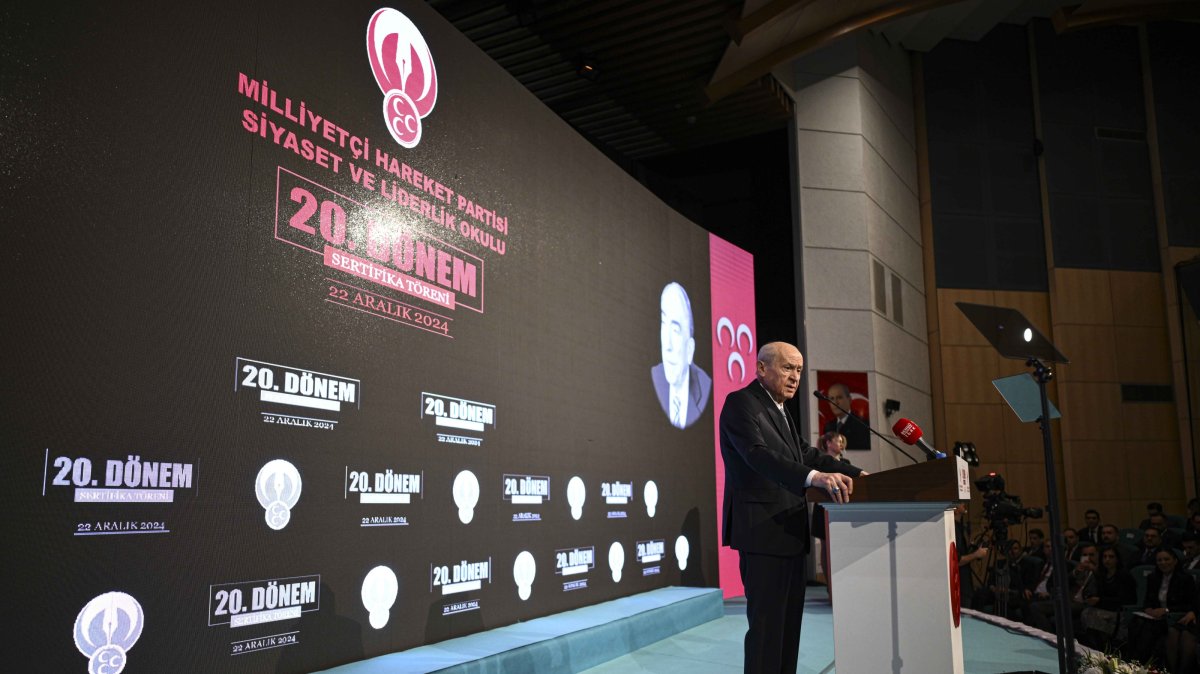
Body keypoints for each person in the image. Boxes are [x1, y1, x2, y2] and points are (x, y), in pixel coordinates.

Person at [720, 341, 861, 674]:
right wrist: (815, 478)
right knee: (768, 633)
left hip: (789, 532)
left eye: (798, 369)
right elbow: (757, 455)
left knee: (788, 633)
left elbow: (805, 454)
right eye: (787, 368)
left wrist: (857, 473)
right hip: (763, 532)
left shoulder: (781, 411)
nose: (795, 376)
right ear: (761, 368)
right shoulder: (741, 403)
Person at [650, 282, 711, 429]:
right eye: (664, 324)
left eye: (676, 331)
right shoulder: (654, 376)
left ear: (690, 350)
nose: (667, 345)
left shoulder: (706, 386)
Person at [1127, 548, 1196, 663]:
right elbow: (1148, 600)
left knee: (1165, 633)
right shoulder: (1153, 578)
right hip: (1156, 617)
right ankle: (1136, 662)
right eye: (1159, 560)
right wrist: (1148, 609)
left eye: (1166, 559)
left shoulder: (1186, 579)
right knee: (1137, 623)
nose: (1163, 563)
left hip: (1176, 617)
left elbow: (1189, 604)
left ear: (1175, 561)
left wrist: (1166, 610)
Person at [1080, 546, 1136, 650]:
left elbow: (1125, 599)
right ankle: (1095, 649)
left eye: (1111, 557)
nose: (1107, 560)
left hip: (1118, 611)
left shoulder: (1124, 576)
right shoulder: (1101, 575)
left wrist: (1100, 601)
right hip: (1103, 608)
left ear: (1117, 559)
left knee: (1090, 616)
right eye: (1104, 557)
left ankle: (1102, 650)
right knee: (1086, 613)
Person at [822, 382, 871, 450]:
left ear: (849, 399)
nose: (835, 402)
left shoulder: (862, 425)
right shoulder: (828, 427)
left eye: (839, 397)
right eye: (832, 399)